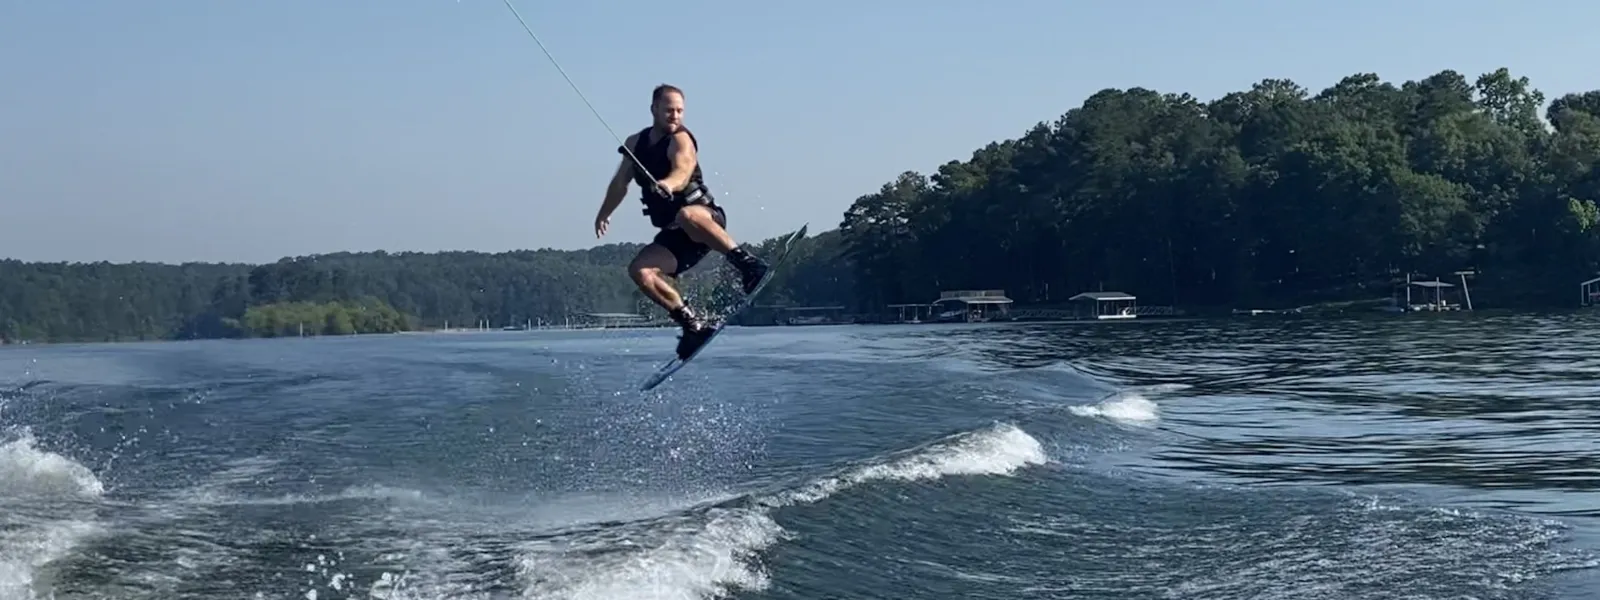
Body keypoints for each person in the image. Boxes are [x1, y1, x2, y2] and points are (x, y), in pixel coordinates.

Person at [593, 83, 770, 359]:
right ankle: (692, 325)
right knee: (640, 270)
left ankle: (748, 265)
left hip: (703, 221)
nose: (675, 116)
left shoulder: (681, 140)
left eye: (679, 111)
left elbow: (683, 170)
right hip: (676, 237)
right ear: (654, 109)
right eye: (669, 110)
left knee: (687, 214)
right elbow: (619, 184)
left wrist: (669, 183)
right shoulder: (634, 144)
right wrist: (604, 212)